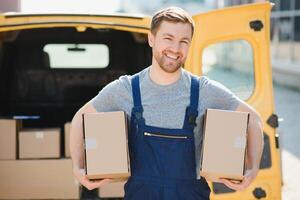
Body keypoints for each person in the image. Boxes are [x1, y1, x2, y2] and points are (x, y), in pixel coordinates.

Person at [70, 6, 264, 200]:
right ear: (151, 39)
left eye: (183, 41)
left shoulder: (204, 90)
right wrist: (78, 168)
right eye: (168, 38)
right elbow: (80, 119)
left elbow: (253, 120)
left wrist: (252, 168)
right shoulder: (126, 89)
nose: (175, 49)